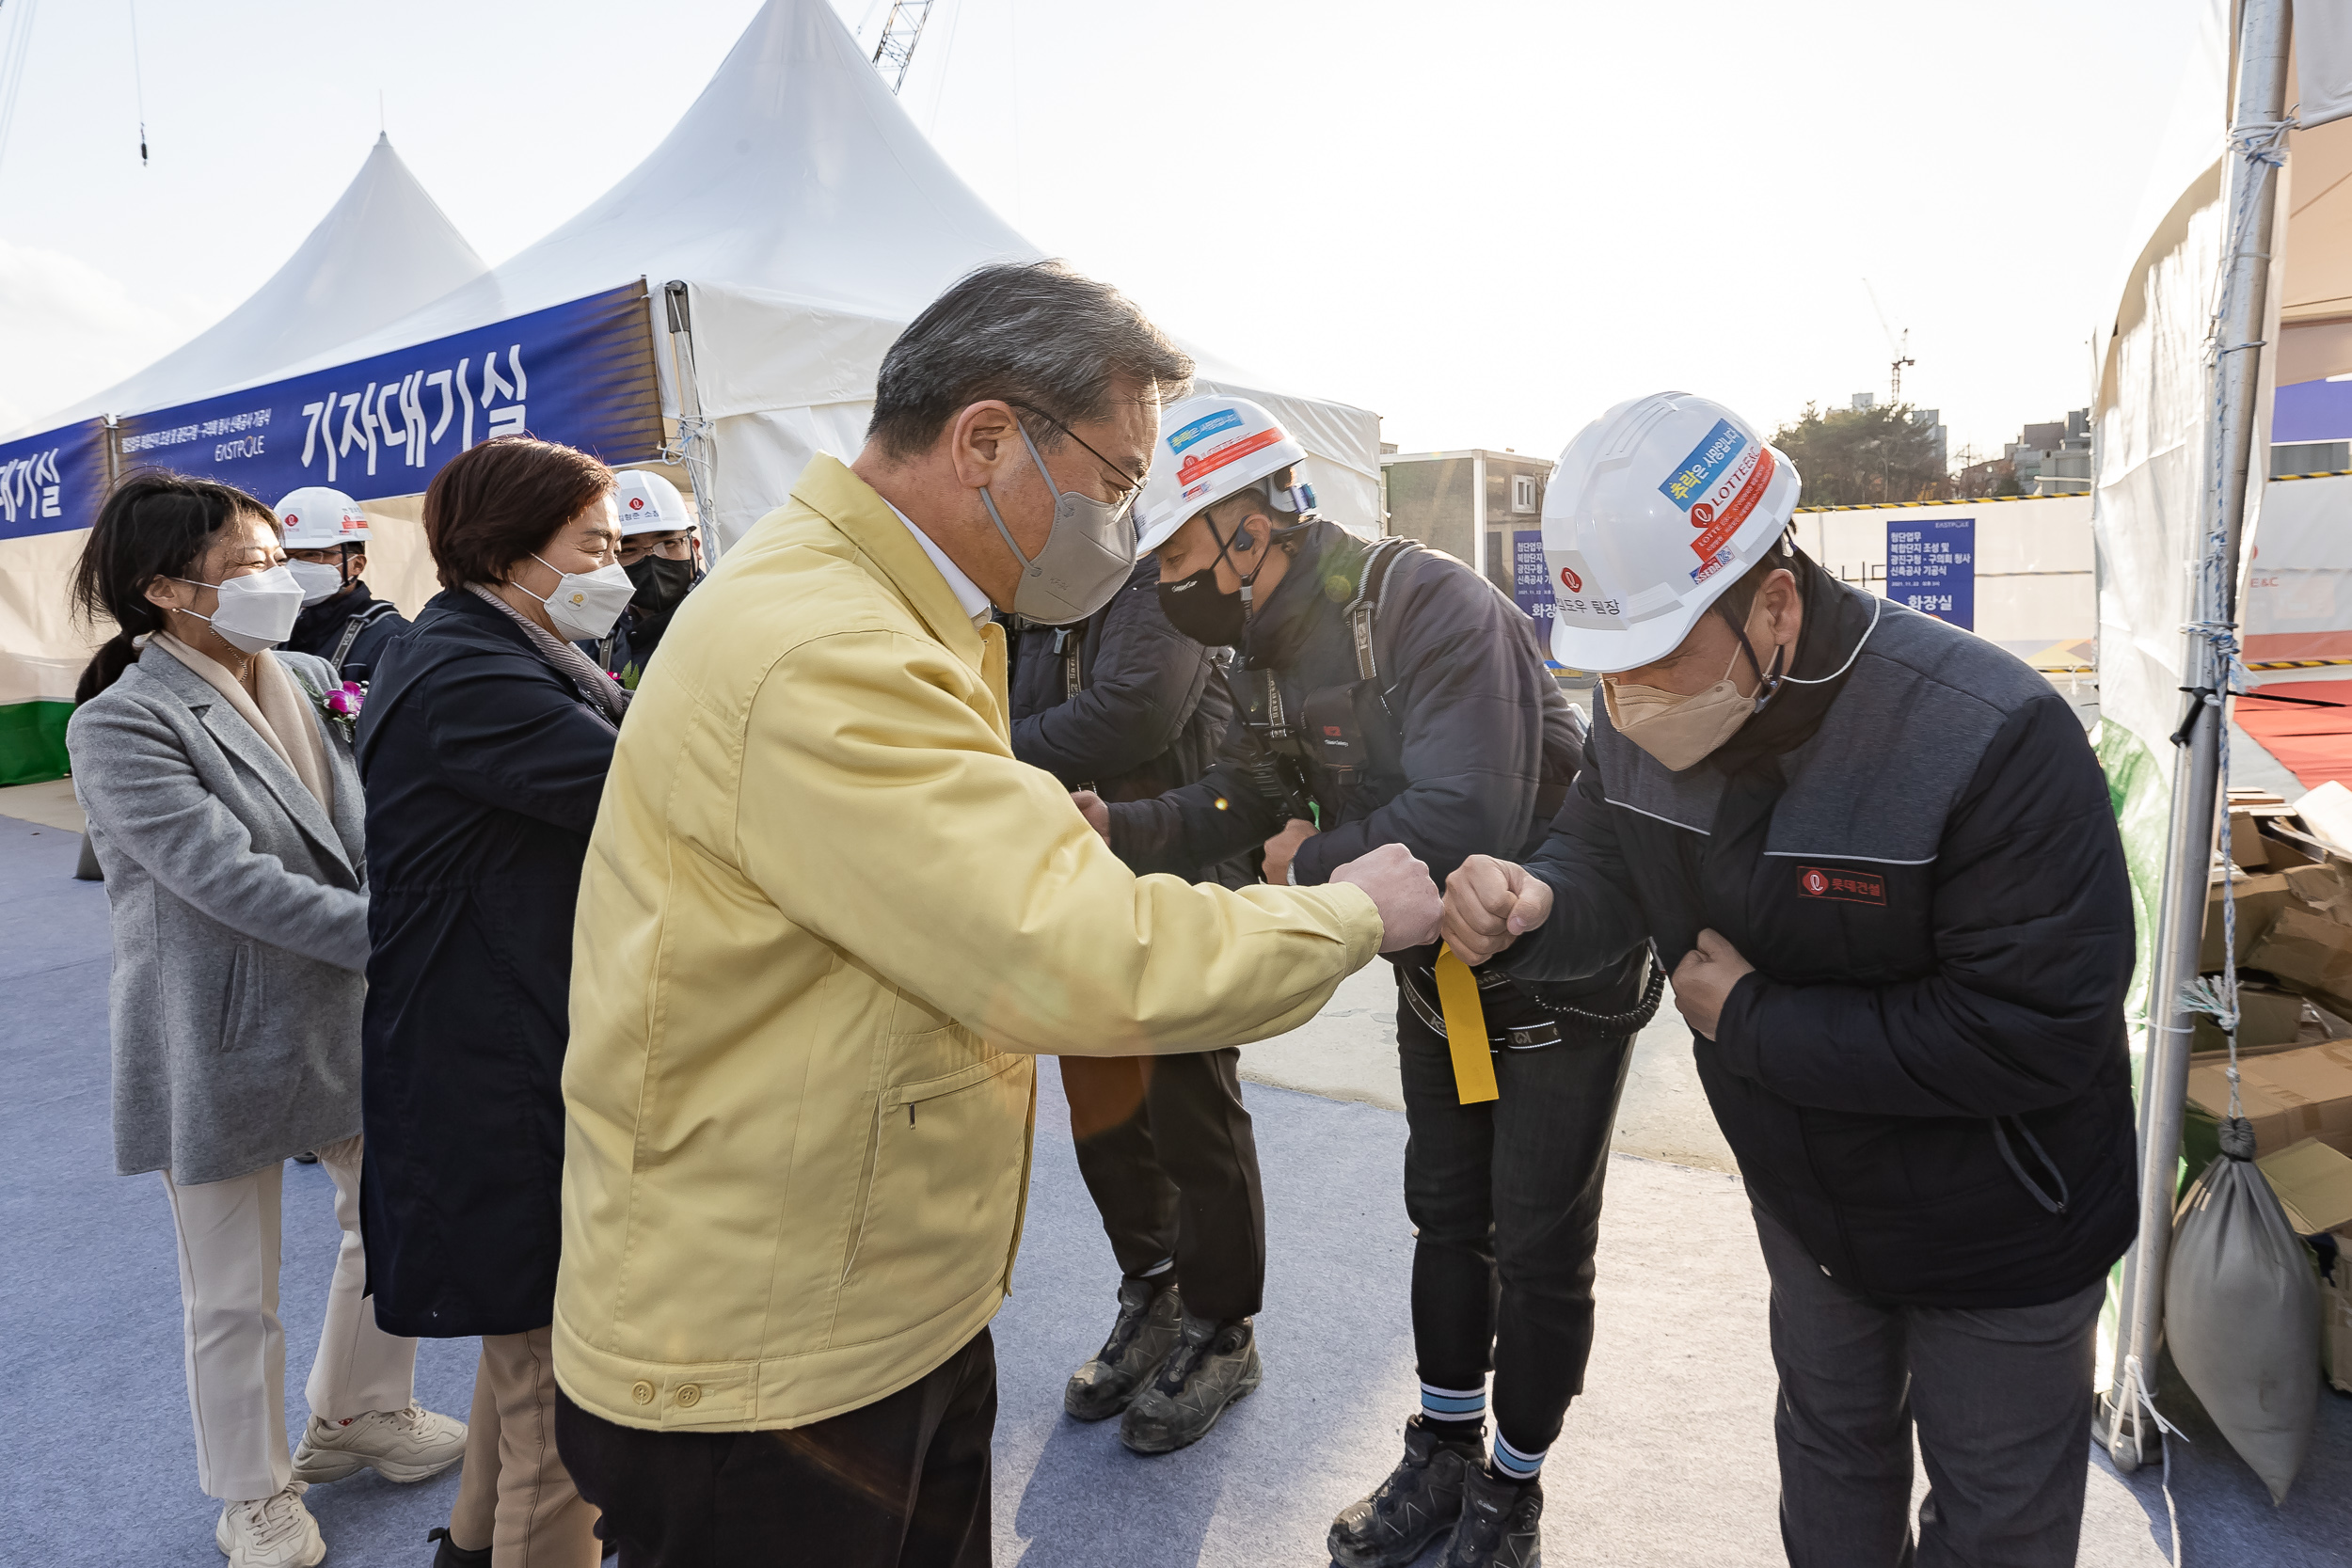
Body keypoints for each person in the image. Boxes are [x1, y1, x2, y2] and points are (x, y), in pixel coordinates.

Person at [550, 261, 1442, 1568]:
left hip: (860, 1305)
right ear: (984, 438)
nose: (1126, 527)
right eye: (1116, 480)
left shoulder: (899, 607)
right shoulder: (827, 645)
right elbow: (1076, 952)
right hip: (771, 1368)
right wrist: (1348, 911)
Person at [1438, 391, 2138, 1568]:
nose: (1627, 701)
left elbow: (2034, 1028)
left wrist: (1752, 1020)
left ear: (1773, 601)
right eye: (1604, 672)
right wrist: (1532, 904)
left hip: (2001, 1226)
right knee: (1829, 1463)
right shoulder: (1635, 715)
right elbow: (1598, 857)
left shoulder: (1989, 735)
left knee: (1996, 1525)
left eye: (1656, 661)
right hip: (1808, 1207)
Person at [1086, 393, 1654, 1568]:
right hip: (1434, 974)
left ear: (1255, 528)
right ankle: (1444, 1451)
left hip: (1554, 974)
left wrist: (1310, 861)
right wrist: (1116, 824)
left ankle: (1512, 1489)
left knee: (1541, 1245)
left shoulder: (1429, 601)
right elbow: (1240, 797)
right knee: (1446, 1217)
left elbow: (1468, 812)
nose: (1173, 590)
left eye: (1184, 557)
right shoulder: (1262, 648)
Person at [66, 470, 464, 1568]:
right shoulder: (120, 722)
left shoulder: (303, 671)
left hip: (348, 1003)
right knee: (230, 1286)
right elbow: (224, 879)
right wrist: (400, 937)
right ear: (163, 590)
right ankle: (250, 1488)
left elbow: (366, 821)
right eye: (244, 565)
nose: (273, 579)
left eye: (273, 556)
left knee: (389, 1223)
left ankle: (357, 1412)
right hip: (219, 1028)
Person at [353, 436, 635, 1568]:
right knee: (565, 1395)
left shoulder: (494, 647)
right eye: (596, 543)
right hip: (489, 1064)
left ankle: (469, 1548)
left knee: (524, 1354)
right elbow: (646, 790)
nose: (615, 565)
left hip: (493, 1039)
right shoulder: (472, 671)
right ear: (513, 548)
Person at [1005, 557, 1265, 1454]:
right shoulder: (1041, 592)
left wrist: (984, 746)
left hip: (1181, 884)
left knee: (1195, 1115)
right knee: (1103, 1113)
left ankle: (1223, 1327)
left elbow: (1129, 714)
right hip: (1079, 891)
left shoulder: (1163, 583)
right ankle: (1151, 1290)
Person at [278, 484, 409, 682]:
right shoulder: (273, 626)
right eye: (284, 556)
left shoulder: (391, 637)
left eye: (312, 554)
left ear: (357, 564)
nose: (294, 567)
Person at [585, 467, 703, 684]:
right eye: (630, 550)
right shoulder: (592, 631)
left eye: (669, 543)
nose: (653, 560)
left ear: (694, 548)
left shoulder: (729, 620)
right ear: (607, 559)